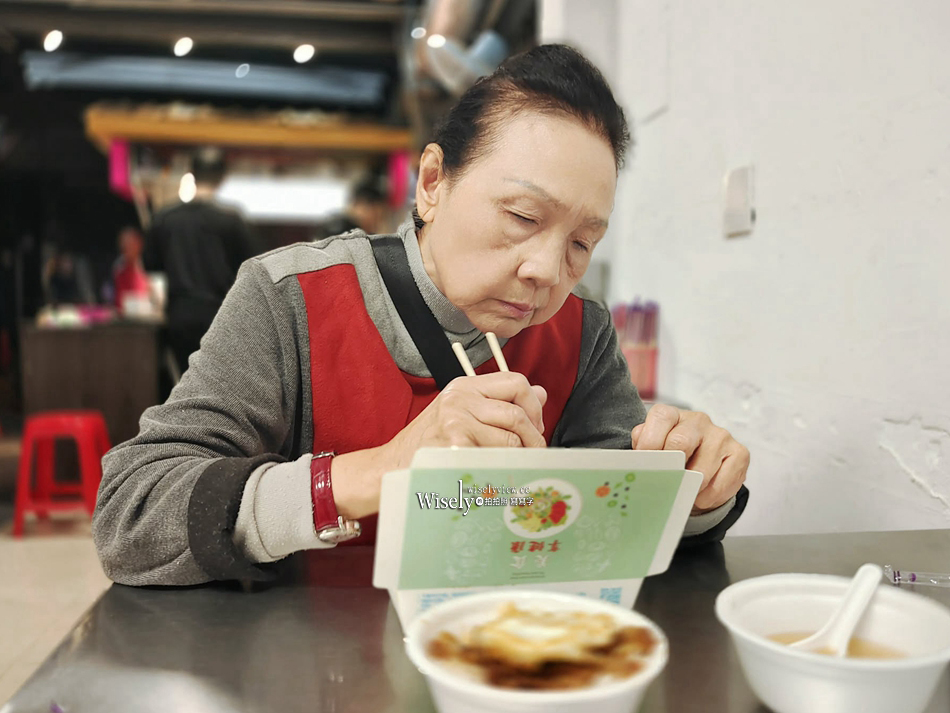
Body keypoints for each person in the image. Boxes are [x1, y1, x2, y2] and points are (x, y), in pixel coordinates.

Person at [94, 45, 750, 587]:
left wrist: (690, 493)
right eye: (523, 217)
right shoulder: (288, 298)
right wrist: (377, 469)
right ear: (432, 183)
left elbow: (612, 520)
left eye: (582, 243)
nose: (548, 271)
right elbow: (132, 514)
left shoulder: (580, 333)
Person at [143, 147, 262, 374]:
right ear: (222, 178)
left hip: (180, 317)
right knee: (219, 387)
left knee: (185, 384)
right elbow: (254, 269)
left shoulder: (165, 218)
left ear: (192, 174)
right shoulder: (233, 220)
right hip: (222, 317)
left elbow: (151, 268)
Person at [112, 226, 150, 314]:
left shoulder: (148, 265)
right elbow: (119, 301)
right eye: (123, 245)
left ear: (139, 244)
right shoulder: (119, 268)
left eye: (130, 244)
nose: (126, 248)